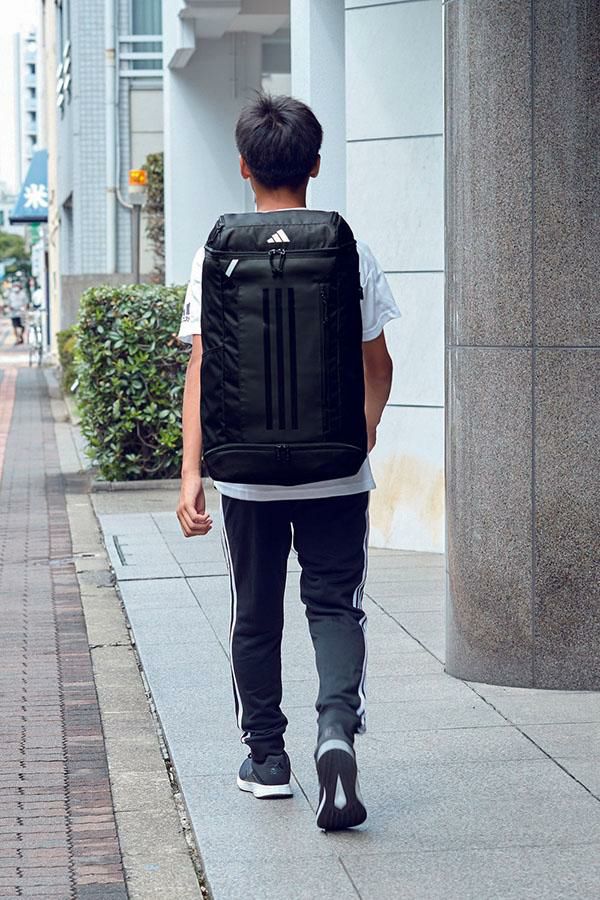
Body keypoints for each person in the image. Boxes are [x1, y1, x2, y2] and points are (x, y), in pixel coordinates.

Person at [176, 94, 399, 831]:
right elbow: (378, 364)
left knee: (255, 611)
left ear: (244, 167)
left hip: (246, 475)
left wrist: (192, 474)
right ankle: (335, 729)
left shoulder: (215, 254)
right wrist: (363, 431)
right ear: (316, 164)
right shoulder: (348, 249)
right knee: (334, 604)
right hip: (336, 469)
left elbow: (203, 367)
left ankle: (268, 761)